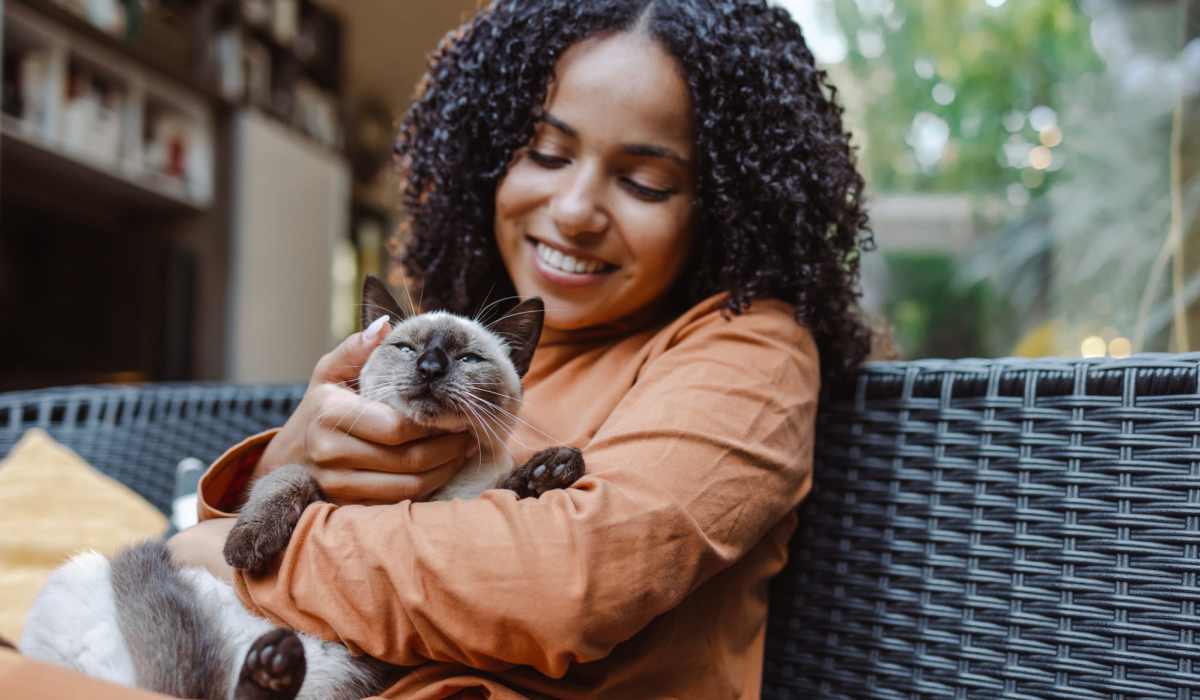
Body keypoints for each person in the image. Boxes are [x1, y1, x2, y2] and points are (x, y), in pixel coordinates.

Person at [170, 0, 874, 697]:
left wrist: (259, 565)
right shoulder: (460, 335)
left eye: (644, 182)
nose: (573, 211)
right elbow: (207, 574)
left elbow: (571, 581)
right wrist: (291, 455)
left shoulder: (750, 346)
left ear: (723, 205)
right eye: (545, 152)